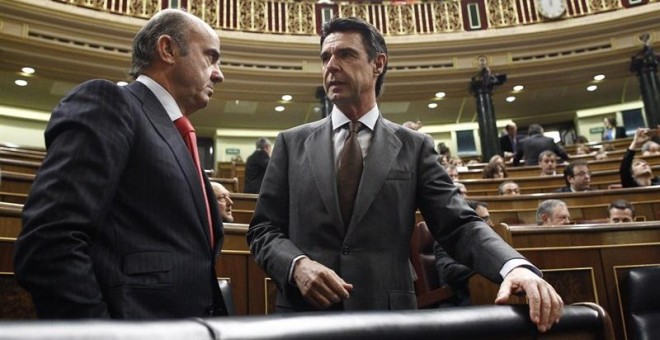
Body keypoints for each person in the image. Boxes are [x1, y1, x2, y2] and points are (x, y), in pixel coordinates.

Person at [247, 17, 562, 332]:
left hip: (388, 317)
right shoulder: (291, 142)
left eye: (345, 54)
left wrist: (513, 267)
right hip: (304, 316)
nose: (331, 65)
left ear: (378, 63)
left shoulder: (414, 147)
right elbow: (263, 230)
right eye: (325, 57)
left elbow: (457, 225)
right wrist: (296, 265)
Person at [12, 9, 227, 319]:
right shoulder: (110, 102)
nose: (219, 74)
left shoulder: (177, 133)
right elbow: (50, 242)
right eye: (210, 57)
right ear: (167, 50)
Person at [433, 200, 493, 307]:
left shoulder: (490, 241)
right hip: (459, 299)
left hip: (485, 293)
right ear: (469, 219)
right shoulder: (447, 241)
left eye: (489, 218)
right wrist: (486, 266)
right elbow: (448, 271)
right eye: (484, 219)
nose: (491, 224)